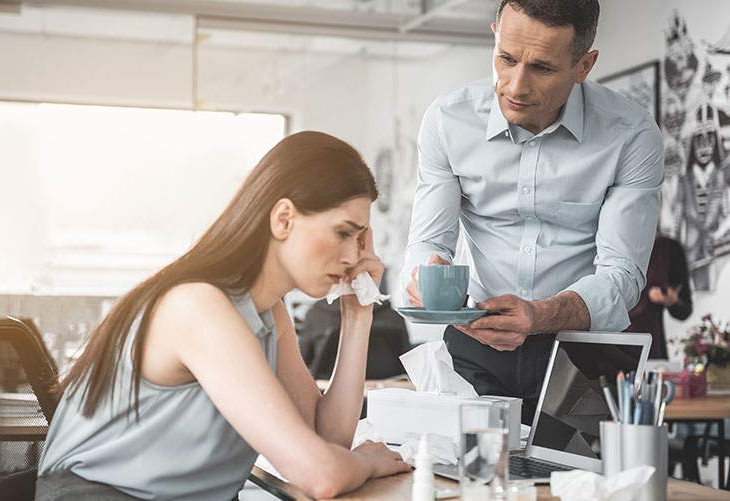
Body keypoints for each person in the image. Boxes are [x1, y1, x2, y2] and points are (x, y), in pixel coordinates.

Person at [36, 131, 409, 501]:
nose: (351, 256)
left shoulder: (269, 313)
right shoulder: (197, 306)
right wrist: (367, 462)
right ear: (283, 219)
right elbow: (321, 474)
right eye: (343, 233)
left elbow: (327, 440)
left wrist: (358, 315)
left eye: (359, 239)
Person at [402, 0, 664, 423]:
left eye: (542, 68)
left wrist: (539, 315)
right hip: (475, 347)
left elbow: (622, 274)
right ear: (495, 37)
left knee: (586, 487)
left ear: (584, 65)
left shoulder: (631, 135)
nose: (515, 86)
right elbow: (428, 243)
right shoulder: (448, 120)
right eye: (506, 59)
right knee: (465, 480)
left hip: (584, 353)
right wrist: (422, 277)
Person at [626, 232, 693, 359]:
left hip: (650, 348)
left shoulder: (670, 248)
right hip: (608, 345)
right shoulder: (605, 246)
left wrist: (672, 301)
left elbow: (685, 310)